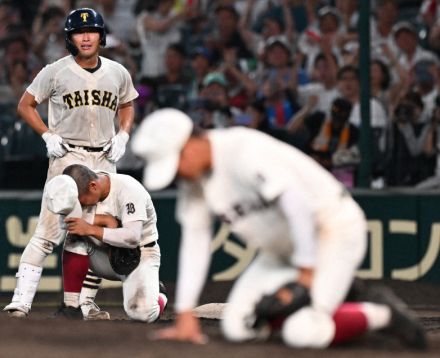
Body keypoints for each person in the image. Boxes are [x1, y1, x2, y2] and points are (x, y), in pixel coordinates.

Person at [131, 108, 426, 349]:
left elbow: (297, 205)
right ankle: (336, 293)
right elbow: (195, 242)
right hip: (281, 251)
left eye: (175, 163)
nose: (177, 174)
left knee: (303, 332)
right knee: (238, 327)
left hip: (330, 232)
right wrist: (185, 314)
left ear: (189, 145)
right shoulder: (193, 184)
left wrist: (306, 274)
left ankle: (380, 313)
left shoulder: (241, 149)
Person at [3, 8, 138, 319]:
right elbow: (26, 105)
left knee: (96, 235)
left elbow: (128, 104)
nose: (86, 36)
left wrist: (124, 134)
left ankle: (85, 303)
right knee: (48, 232)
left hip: (105, 159)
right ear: (70, 38)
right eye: (79, 32)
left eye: (92, 30)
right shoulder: (55, 70)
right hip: (67, 157)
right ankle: (21, 301)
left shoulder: (118, 72)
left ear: (102, 35)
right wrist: (47, 134)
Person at [43, 165, 167, 322]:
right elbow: (64, 223)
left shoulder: (129, 189)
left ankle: (158, 295)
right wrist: (101, 221)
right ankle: (72, 306)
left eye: (81, 202)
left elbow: (132, 237)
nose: (80, 206)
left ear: (93, 186)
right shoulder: (82, 186)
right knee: (74, 236)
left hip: (140, 255)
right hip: (104, 256)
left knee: (141, 313)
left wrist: (91, 228)